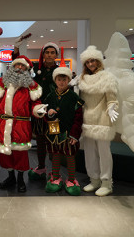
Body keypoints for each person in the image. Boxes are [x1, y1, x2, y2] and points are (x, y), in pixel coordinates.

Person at [0, 55, 46, 192]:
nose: (19, 68)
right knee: (5, 154)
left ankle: (20, 178)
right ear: (12, 67)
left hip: (21, 124)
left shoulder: (31, 87)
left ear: (27, 69)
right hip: (2, 123)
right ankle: (10, 177)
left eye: (22, 66)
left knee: (20, 154)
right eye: (16, 65)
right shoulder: (2, 84)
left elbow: (35, 104)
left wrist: (38, 110)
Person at [14, 40, 60, 180]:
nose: (49, 55)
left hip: (54, 113)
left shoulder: (60, 71)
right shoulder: (35, 69)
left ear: (56, 55)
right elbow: (19, 64)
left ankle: (55, 171)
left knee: (55, 140)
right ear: (43, 54)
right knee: (40, 140)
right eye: (47, 52)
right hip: (38, 112)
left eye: (52, 52)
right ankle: (41, 167)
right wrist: (16, 50)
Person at [78, 46, 119, 197]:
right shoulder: (82, 79)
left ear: (99, 61)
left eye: (93, 61)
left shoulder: (107, 77)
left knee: (104, 152)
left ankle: (107, 182)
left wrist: (112, 108)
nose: (90, 64)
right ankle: (94, 179)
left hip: (102, 119)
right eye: (87, 62)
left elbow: (112, 98)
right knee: (89, 152)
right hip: (87, 119)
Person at [43, 63, 84, 196]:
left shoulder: (74, 98)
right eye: (59, 79)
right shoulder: (50, 96)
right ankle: (55, 177)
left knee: (70, 156)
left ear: (68, 80)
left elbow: (79, 118)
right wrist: (48, 114)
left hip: (69, 132)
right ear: (55, 80)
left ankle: (71, 179)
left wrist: (74, 135)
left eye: (64, 79)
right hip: (53, 131)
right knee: (55, 154)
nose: (61, 82)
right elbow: (44, 114)